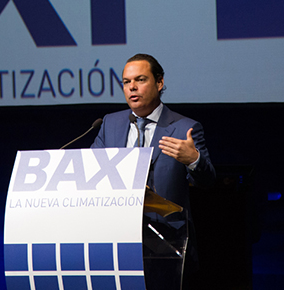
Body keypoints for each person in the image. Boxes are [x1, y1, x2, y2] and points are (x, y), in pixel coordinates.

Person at [91, 53, 216, 287]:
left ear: (159, 82)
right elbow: (92, 172)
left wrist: (193, 159)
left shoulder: (184, 128)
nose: (132, 88)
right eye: (126, 82)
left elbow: (208, 181)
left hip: (167, 244)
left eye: (140, 79)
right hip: (116, 241)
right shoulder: (110, 124)